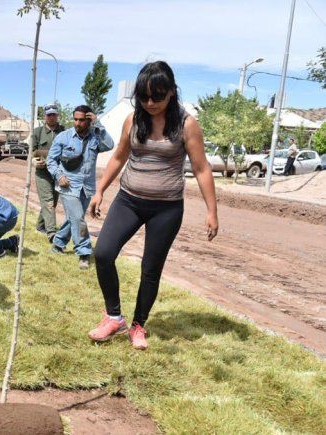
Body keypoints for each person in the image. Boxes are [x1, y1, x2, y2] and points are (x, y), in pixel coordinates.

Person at [87, 61, 218, 350]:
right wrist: (99, 191)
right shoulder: (134, 120)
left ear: (171, 92)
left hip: (166, 208)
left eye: (157, 96)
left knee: (151, 268)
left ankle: (138, 325)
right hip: (129, 200)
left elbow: (201, 168)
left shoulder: (187, 124)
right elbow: (119, 157)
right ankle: (114, 317)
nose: (150, 103)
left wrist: (212, 211)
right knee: (104, 253)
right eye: (144, 97)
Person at [47, 105, 114, 269]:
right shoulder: (63, 137)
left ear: (89, 120)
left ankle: (58, 243)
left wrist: (99, 125)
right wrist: (59, 175)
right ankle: (84, 252)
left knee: (73, 219)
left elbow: (110, 145)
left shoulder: (95, 137)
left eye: (82, 120)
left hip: (87, 187)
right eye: (75, 119)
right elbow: (51, 160)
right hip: (68, 185)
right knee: (78, 218)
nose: (77, 123)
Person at [30, 104, 65, 243]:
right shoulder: (37, 132)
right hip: (42, 172)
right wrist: (33, 159)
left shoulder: (63, 131)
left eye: (54, 114)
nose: (51, 117)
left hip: (57, 172)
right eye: (49, 114)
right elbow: (32, 150)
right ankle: (52, 233)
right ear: (45, 116)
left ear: (58, 115)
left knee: (52, 202)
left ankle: (40, 226)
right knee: (48, 201)